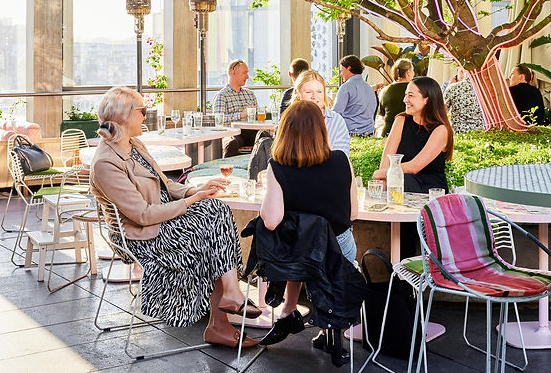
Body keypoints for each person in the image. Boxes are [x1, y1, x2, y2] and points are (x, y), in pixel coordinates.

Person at [89, 86, 260, 348]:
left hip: (162, 220)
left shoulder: (134, 144)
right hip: (140, 236)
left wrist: (197, 190)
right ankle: (223, 314)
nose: (146, 116)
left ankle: (228, 303)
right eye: (142, 111)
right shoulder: (106, 163)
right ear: (124, 116)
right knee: (212, 228)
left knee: (215, 213)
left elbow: (165, 187)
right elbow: (142, 215)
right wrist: (192, 201)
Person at [258, 101, 359, 362]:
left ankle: (288, 311)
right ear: (322, 130)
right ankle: (325, 326)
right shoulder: (341, 160)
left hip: (301, 255)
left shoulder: (277, 167)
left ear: (285, 131)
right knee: (314, 245)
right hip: (341, 250)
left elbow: (271, 220)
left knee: (302, 243)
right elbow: (352, 214)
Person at [372, 76, 453, 194]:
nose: (405, 100)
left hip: (430, 191)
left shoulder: (441, 130)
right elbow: (386, 162)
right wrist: (382, 190)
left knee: (404, 179)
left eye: (410, 95)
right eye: (405, 95)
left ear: (426, 100)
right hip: (400, 186)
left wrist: (383, 173)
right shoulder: (400, 120)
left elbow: (414, 167)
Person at [293, 70, 351, 155]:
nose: (314, 96)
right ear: (297, 94)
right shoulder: (290, 119)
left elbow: (342, 157)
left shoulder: (336, 121)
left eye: (319, 92)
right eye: (308, 92)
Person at [214, 59, 259, 157]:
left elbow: (257, 118)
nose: (247, 77)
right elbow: (218, 120)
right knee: (232, 143)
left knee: (266, 138)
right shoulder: (222, 95)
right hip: (232, 133)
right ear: (233, 72)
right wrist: (241, 115)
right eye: (244, 73)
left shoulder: (250, 94)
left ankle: (265, 171)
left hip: (251, 132)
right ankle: (228, 170)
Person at [331, 55, 377, 136]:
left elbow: (336, 112)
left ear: (349, 68)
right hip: (370, 133)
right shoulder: (369, 88)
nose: (341, 74)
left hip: (351, 133)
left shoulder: (346, 87)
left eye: (341, 71)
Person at [378, 60, 413, 137]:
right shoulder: (415, 89)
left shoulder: (384, 91)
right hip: (410, 134)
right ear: (408, 73)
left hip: (388, 133)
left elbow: (383, 117)